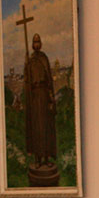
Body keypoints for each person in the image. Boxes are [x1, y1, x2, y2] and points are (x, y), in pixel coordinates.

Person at [23, 33, 58, 168]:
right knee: (37, 128)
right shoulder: (30, 60)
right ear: (32, 45)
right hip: (35, 97)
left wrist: (50, 97)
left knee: (46, 127)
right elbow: (27, 80)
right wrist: (26, 64)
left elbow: (48, 79)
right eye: (35, 42)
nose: (36, 44)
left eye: (38, 42)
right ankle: (38, 159)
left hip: (44, 95)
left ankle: (46, 158)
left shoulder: (44, 58)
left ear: (40, 44)